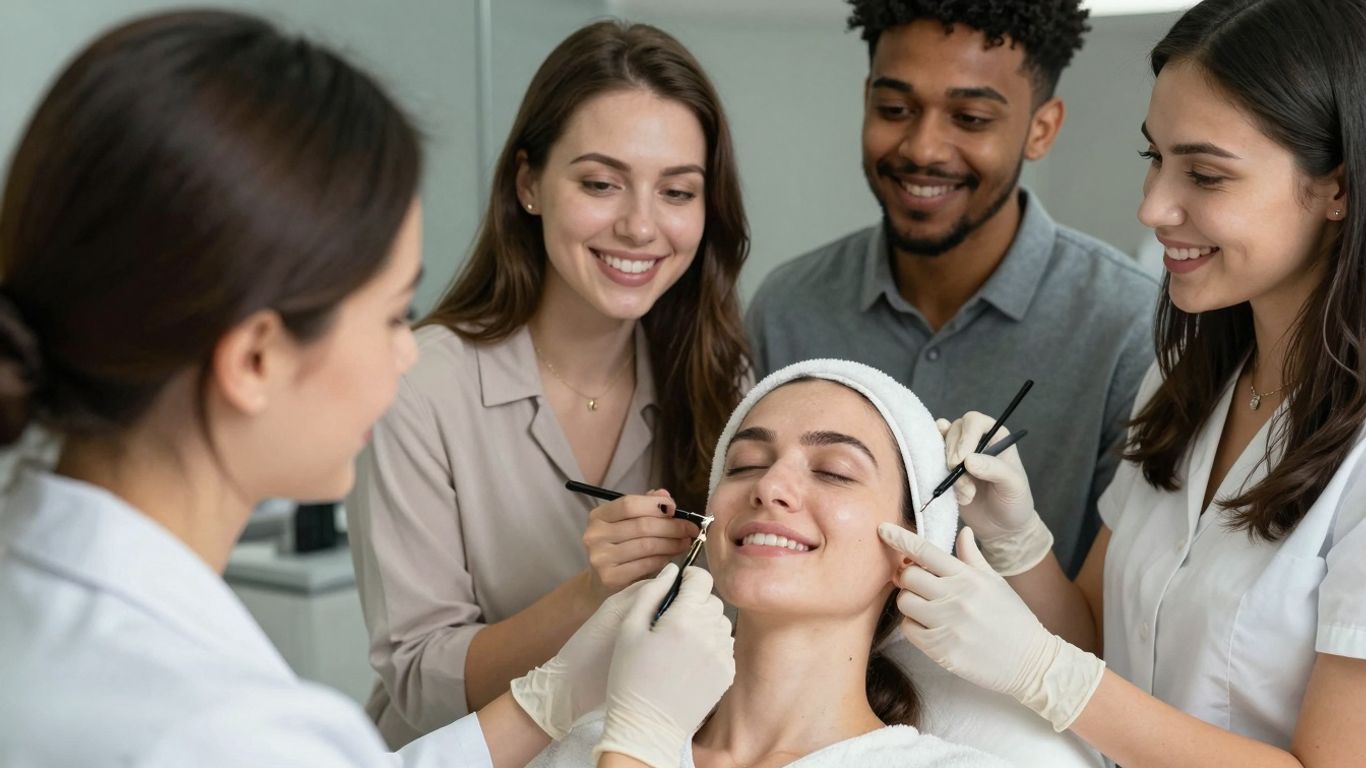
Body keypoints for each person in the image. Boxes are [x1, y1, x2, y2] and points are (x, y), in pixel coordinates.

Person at [0, 11, 735, 767]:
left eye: (677, 191)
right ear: (254, 359)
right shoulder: (226, 731)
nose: (405, 353)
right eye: (392, 314)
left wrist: (554, 693)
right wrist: (631, 728)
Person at [882, 1, 1366, 765]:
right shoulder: (1188, 380)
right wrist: (1016, 538)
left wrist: (1042, 672)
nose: (1152, 207)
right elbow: (1097, 639)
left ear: (1337, 187)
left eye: (1204, 174)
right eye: (1155, 158)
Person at [346, 19, 751, 747]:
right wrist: (589, 597)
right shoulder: (420, 386)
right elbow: (420, 682)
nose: (640, 227)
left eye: (677, 191)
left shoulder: (722, 379)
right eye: (601, 184)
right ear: (529, 184)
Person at [745, 0, 1158, 576]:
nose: (922, 148)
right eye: (895, 109)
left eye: (970, 118)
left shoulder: (1131, 325)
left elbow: (1115, 604)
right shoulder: (788, 307)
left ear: (1041, 129)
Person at [530, 359, 1008, 767]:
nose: (769, 486)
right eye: (745, 465)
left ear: (911, 551)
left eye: (834, 471)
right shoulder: (589, 746)